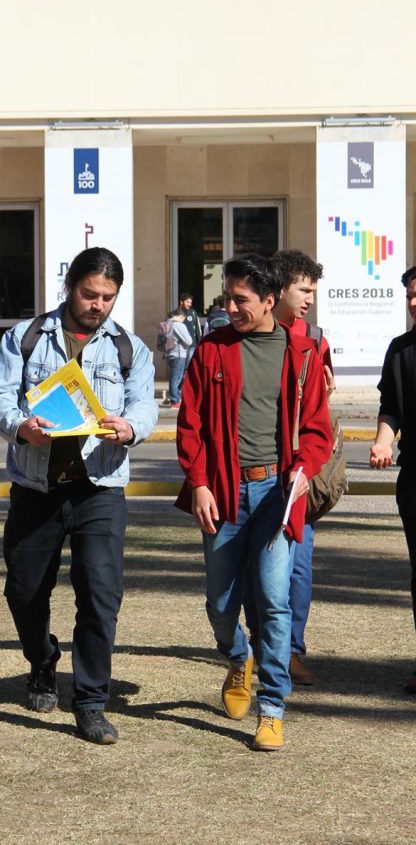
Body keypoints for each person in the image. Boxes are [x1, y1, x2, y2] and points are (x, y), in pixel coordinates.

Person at [0, 247, 158, 745]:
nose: (98, 304)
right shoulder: (27, 338)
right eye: (89, 293)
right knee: (24, 590)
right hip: (36, 487)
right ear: (69, 287)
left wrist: (131, 427)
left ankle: (91, 701)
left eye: (108, 297)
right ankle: (42, 660)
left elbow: (146, 404)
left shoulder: (129, 348)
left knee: (101, 596)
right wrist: (21, 427)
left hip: (100, 488)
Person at [176, 255, 332, 751]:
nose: (230, 307)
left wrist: (304, 468)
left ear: (269, 301)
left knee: (273, 600)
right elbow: (191, 424)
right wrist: (198, 481)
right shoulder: (211, 350)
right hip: (221, 492)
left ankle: (271, 709)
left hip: (276, 496)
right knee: (221, 604)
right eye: (227, 297)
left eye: (240, 300)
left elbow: (317, 430)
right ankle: (236, 655)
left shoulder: (302, 354)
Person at [245, 249, 336, 686]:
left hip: (294, 479)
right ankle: (258, 643)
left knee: (298, 564)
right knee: (252, 569)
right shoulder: (242, 334)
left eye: (313, 290)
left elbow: (319, 409)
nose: (309, 299)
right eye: (304, 289)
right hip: (253, 476)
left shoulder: (315, 339)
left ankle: (290, 649)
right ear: (275, 291)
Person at [369, 265, 416, 694]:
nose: (415, 303)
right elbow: (391, 407)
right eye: (410, 296)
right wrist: (384, 441)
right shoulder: (400, 349)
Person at [165, 305, 193, 408]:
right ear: (181, 316)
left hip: (169, 354)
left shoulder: (167, 324)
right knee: (176, 378)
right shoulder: (179, 326)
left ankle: (174, 398)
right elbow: (189, 341)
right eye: (184, 319)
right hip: (179, 354)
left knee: (173, 377)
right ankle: (175, 400)